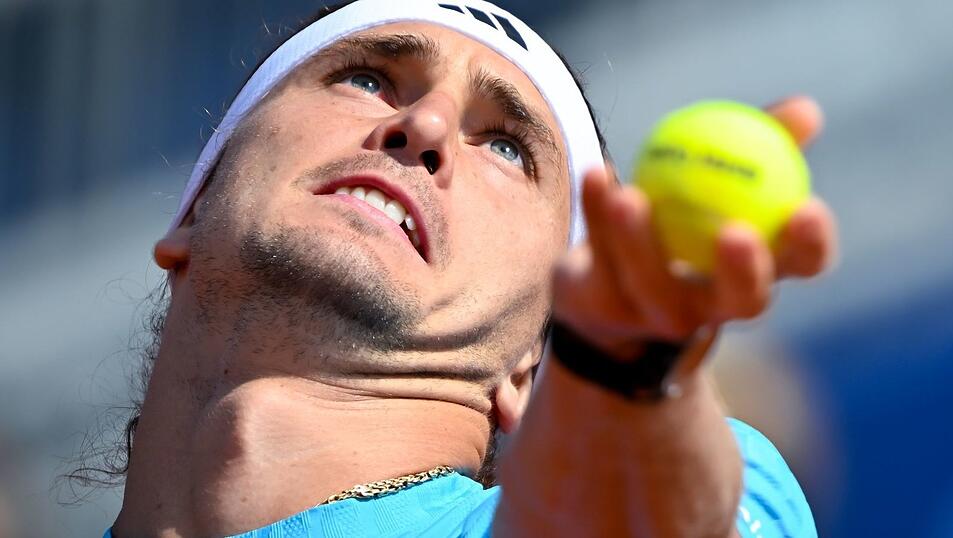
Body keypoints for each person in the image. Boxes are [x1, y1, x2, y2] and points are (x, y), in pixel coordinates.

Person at [106, 0, 836, 536]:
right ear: (192, 211)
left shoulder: (689, 476)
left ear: (529, 362)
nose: (425, 126)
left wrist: (630, 370)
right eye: (366, 78)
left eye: (508, 146)